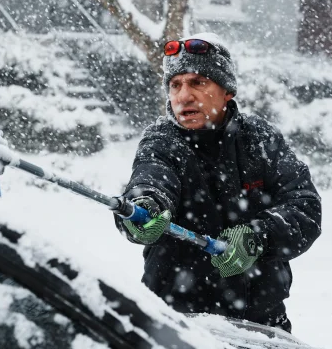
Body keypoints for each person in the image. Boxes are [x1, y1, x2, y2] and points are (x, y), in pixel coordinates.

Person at [114, 33, 321, 332]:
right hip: (177, 324)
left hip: (261, 324)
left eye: (198, 82)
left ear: (227, 92)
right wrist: (146, 204)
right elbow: (151, 176)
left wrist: (258, 236)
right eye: (175, 85)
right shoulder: (162, 140)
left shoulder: (259, 138)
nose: (183, 96)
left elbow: (305, 207)